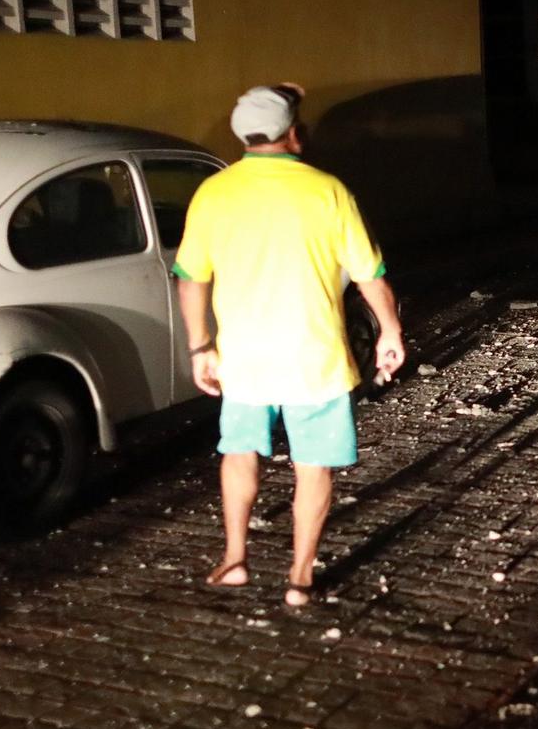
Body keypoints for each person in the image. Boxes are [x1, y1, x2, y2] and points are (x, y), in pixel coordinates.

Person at [174, 84, 406, 607]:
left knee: (238, 454)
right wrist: (389, 331)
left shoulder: (214, 192)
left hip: (244, 360)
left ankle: (235, 559)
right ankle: (299, 578)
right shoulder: (327, 190)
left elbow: (191, 279)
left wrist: (200, 347)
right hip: (314, 359)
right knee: (313, 466)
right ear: (294, 134)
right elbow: (371, 275)